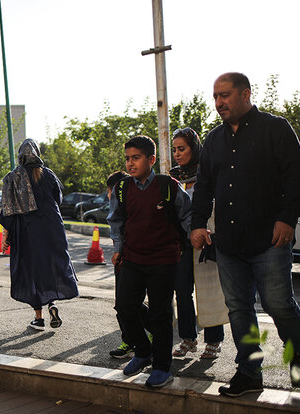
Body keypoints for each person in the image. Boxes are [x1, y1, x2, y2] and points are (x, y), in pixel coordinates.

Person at [191, 72, 300, 397]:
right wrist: (198, 223)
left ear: (245, 94)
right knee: (240, 309)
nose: (219, 103)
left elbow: (297, 176)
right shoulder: (214, 139)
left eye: (225, 95)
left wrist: (287, 219)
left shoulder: (275, 128)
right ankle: (249, 373)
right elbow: (203, 185)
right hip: (229, 243)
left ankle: (299, 353)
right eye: (215, 96)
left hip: (270, 240)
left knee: (278, 303)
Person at [107, 135, 191, 388]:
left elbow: (186, 216)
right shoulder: (122, 188)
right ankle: (143, 351)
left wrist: (197, 237)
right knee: (124, 307)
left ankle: (162, 368)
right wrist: (118, 248)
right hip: (132, 258)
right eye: (127, 159)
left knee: (160, 315)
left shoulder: (169, 186)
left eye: (136, 158)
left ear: (151, 159)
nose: (130, 164)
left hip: (164, 260)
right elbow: (116, 221)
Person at [0, 138, 79, 331]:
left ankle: (38, 318)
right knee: (51, 266)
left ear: (20, 155)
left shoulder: (12, 177)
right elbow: (57, 199)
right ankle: (52, 303)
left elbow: (7, 210)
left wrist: (4, 237)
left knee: (30, 271)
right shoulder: (48, 174)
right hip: (52, 228)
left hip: (26, 231)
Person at [170, 127, 225, 359]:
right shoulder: (173, 177)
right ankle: (187, 339)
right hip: (181, 243)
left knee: (209, 289)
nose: (177, 154)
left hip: (206, 240)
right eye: (174, 150)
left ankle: (213, 341)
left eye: (182, 149)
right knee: (182, 292)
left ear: (194, 148)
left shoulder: (209, 173)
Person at [106, 170, 153, 359]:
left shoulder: (128, 202)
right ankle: (130, 340)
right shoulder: (123, 203)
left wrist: (119, 251)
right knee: (124, 305)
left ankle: (150, 332)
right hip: (125, 258)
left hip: (133, 258)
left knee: (127, 304)